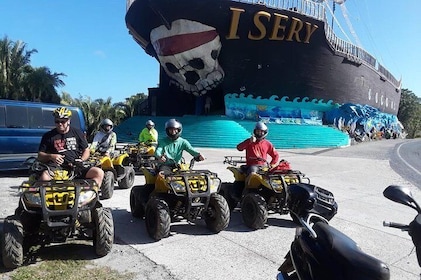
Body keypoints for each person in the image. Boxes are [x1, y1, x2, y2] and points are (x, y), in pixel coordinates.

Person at [37, 107, 104, 186]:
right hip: (56, 168)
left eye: (62, 121)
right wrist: (51, 156)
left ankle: (90, 196)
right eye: (57, 121)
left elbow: (86, 150)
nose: (60, 124)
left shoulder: (77, 133)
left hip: (75, 166)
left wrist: (81, 160)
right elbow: (40, 155)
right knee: (44, 177)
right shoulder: (48, 136)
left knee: (98, 173)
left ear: (68, 121)